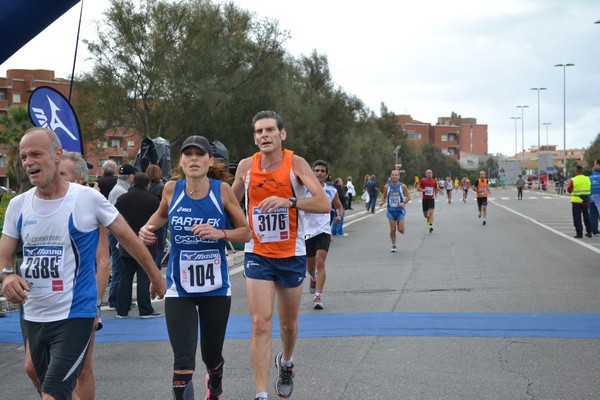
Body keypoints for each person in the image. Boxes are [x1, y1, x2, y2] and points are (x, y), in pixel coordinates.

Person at [0, 127, 165, 400]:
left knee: (53, 392)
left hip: (75, 312)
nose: (28, 161)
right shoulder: (19, 205)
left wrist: (155, 275)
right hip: (33, 311)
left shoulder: (86, 199)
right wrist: (6, 276)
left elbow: (128, 239)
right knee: (33, 371)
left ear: (57, 155)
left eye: (36, 154)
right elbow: (5, 253)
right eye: (23, 156)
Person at [139, 135, 251, 400]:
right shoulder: (171, 189)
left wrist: (220, 233)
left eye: (199, 154)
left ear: (209, 160)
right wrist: (147, 227)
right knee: (183, 360)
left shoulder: (221, 191)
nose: (193, 159)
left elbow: (246, 232)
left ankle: (215, 378)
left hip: (215, 288)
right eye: (187, 154)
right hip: (180, 289)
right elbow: (162, 213)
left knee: (211, 355)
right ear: (180, 161)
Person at [231, 110, 330, 400]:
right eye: (259, 131)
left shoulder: (295, 163)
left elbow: (323, 203)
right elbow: (230, 201)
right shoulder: (247, 166)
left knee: (289, 324)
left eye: (269, 130)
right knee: (260, 323)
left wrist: (290, 202)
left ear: (281, 134)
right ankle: (261, 394)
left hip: (291, 253)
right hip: (258, 252)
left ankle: (286, 362)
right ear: (254, 137)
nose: (264, 135)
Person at [114, 173, 162, 318]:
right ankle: (145, 309)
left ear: (133, 183)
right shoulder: (153, 200)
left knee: (125, 277)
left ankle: (121, 310)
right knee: (143, 277)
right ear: (147, 185)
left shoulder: (122, 199)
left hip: (125, 243)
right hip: (146, 244)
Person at [303, 161, 343, 310]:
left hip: (323, 231)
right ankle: (313, 278)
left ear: (327, 175)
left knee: (321, 261)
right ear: (312, 173)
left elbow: (339, 206)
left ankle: (318, 296)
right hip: (307, 231)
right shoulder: (304, 190)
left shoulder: (331, 191)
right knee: (310, 266)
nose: (319, 173)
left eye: (322, 171)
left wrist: (339, 215)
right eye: (317, 171)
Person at [107, 163, 137, 309]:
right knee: (119, 266)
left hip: (113, 232)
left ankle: (116, 297)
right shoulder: (121, 192)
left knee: (118, 265)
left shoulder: (118, 189)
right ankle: (115, 298)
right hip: (117, 232)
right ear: (130, 177)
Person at [379, 169, 411, 252]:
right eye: (393, 175)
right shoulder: (387, 187)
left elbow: (408, 196)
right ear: (390, 176)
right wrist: (382, 202)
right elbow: (384, 196)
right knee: (392, 229)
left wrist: (403, 203)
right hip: (391, 211)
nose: (394, 176)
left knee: (400, 229)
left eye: (396, 175)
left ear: (399, 177)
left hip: (400, 211)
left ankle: (401, 227)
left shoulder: (402, 186)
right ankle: (393, 245)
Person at [146, 164, 167, 269]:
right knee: (159, 245)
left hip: (147, 218)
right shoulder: (162, 187)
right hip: (160, 220)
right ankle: (156, 266)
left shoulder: (146, 186)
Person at [567, 165, 592, 238]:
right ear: (582, 171)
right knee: (586, 216)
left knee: (577, 217)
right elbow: (589, 187)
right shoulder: (587, 179)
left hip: (576, 201)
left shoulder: (574, 179)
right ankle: (589, 232)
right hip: (585, 200)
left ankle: (579, 233)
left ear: (576, 171)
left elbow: (569, 190)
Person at [589, 160, 600, 237]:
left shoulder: (588, 178)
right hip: (599, 198)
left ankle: (594, 231)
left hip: (591, 198)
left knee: (593, 216)